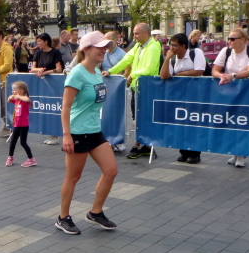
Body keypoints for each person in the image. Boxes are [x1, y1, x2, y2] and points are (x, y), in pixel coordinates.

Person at [57, 31, 118, 235]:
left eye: (105, 47)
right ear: (87, 49)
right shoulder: (77, 73)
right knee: (73, 177)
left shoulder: (97, 71)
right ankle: (63, 217)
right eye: (100, 47)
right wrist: (66, 135)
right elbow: (66, 107)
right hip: (77, 132)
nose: (104, 50)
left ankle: (95, 212)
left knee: (111, 170)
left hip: (94, 130)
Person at [103, 23, 161, 159]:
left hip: (147, 87)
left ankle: (138, 145)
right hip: (137, 87)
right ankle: (144, 145)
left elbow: (149, 69)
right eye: (134, 33)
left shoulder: (153, 47)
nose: (134, 36)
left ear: (146, 33)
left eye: (136, 33)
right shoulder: (138, 46)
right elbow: (127, 60)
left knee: (141, 118)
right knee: (137, 117)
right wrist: (110, 71)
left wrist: (132, 74)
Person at [212, 28, 249, 168]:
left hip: (247, 91)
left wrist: (232, 76)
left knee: (243, 123)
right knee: (231, 121)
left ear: (242, 40)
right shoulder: (225, 51)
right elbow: (215, 70)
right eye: (229, 38)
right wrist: (222, 76)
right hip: (229, 90)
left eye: (233, 39)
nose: (229, 41)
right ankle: (235, 152)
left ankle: (241, 153)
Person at [159, 33, 207, 164]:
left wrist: (180, 74)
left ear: (183, 46)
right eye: (170, 45)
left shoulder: (195, 53)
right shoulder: (173, 59)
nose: (172, 48)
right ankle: (184, 151)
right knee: (181, 123)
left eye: (175, 45)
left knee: (194, 124)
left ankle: (195, 153)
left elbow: (199, 70)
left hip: (196, 95)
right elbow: (164, 76)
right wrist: (167, 59)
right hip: (179, 96)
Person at [32, 33, 64, 145]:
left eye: (40, 41)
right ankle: (51, 133)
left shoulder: (55, 52)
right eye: (37, 41)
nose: (38, 43)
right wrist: (39, 70)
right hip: (43, 85)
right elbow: (33, 68)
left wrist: (46, 72)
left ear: (46, 42)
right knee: (46, 108)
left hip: (54, 84)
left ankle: (56, 134)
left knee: (55, 108)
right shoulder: (38, 52)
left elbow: (59, 69)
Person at [6, 81, 35, 167]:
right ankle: (10, 157)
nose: (13, 91)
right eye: (12, 90)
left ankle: (31, 159)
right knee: (13, 142)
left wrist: (18, 96)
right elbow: (9, 100)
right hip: (17, 124)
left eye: (14, 90)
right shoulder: (16, 100)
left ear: (21, 91)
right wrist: (11, 97)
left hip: (24, 125)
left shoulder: (24, 100)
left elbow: (27, 99)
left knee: (23, 143)